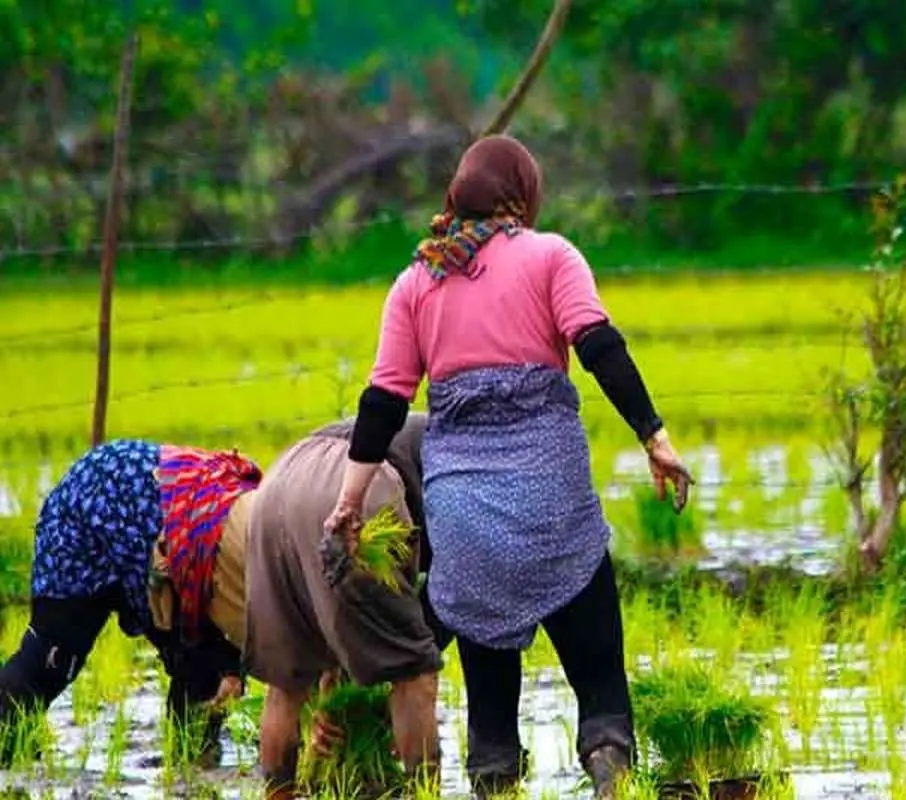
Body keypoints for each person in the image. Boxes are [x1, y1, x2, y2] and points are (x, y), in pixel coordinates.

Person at [325, 134, 695, 799]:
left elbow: (383, 402)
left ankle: (495, 774)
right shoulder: (552, 256)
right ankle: (609, 760)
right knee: (601, 685)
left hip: (465, 522)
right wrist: (654, 436)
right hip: (553, 504)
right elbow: (598, 345)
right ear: (523, 194)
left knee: (490, 722)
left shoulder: (417, 282)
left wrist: (349, 501)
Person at [160, 417, 445, 800]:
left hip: (278, 487)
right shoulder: (474, 460)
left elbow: (342, 620)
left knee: (286, 686)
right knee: (415, 676)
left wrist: (336, 693)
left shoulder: (432, 426)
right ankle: (424, 793)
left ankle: (279, 793)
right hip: (357, 484)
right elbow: (427, 617)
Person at [0, 438, 262, 766]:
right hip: (100, 507)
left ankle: (192, 768)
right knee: (50, 656)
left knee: (204, 662)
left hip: (151, 511)